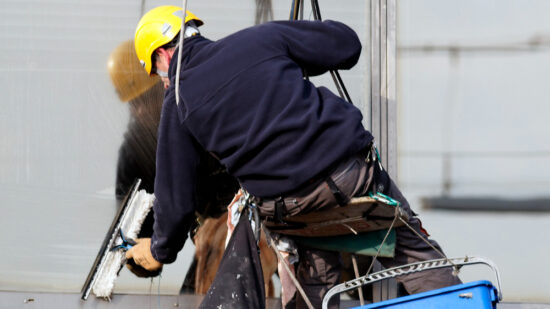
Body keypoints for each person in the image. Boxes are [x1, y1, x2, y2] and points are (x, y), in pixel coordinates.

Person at [126, 5, 461, 308]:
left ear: (163, 56)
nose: (163, 84)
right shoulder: (260, 40)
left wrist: (160, 251)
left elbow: (176, 194)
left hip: (290, 207)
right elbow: (347, 44)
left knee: (313, 280)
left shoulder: (179, 101)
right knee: (411, 254)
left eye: (156, 73)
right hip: (350, 176)